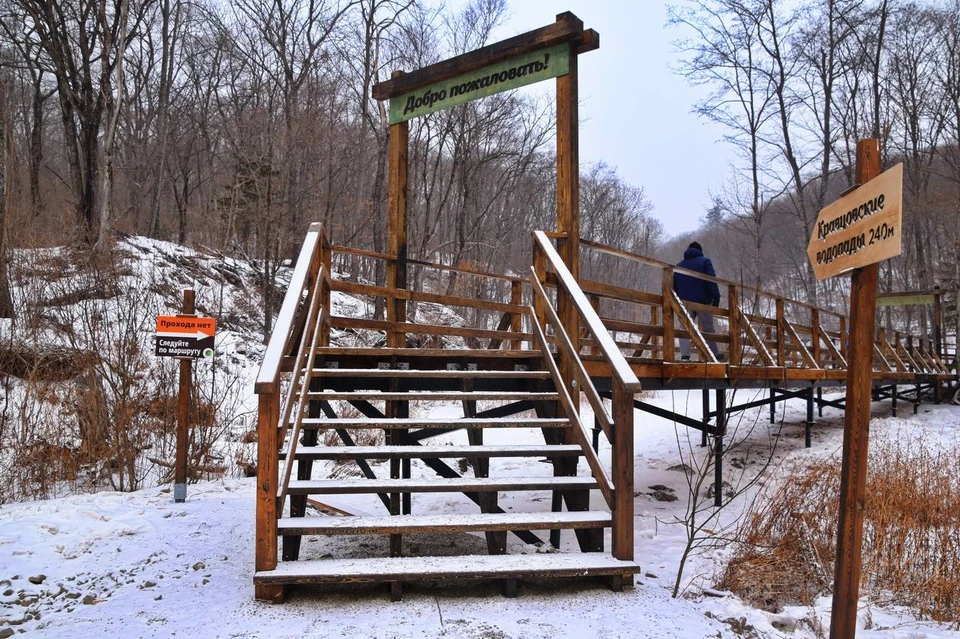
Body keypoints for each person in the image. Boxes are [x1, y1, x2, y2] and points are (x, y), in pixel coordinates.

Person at [673, 241, 721, 361]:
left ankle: (685, 355)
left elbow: (674, 286)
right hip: (702, 301)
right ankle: (713, 355)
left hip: (684, 303)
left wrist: (679, 300)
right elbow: (711, 280)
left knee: (684, 327)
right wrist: (716, 297)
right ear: (700, 251)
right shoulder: (705, 261)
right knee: (708, 328)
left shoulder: (678, 266)